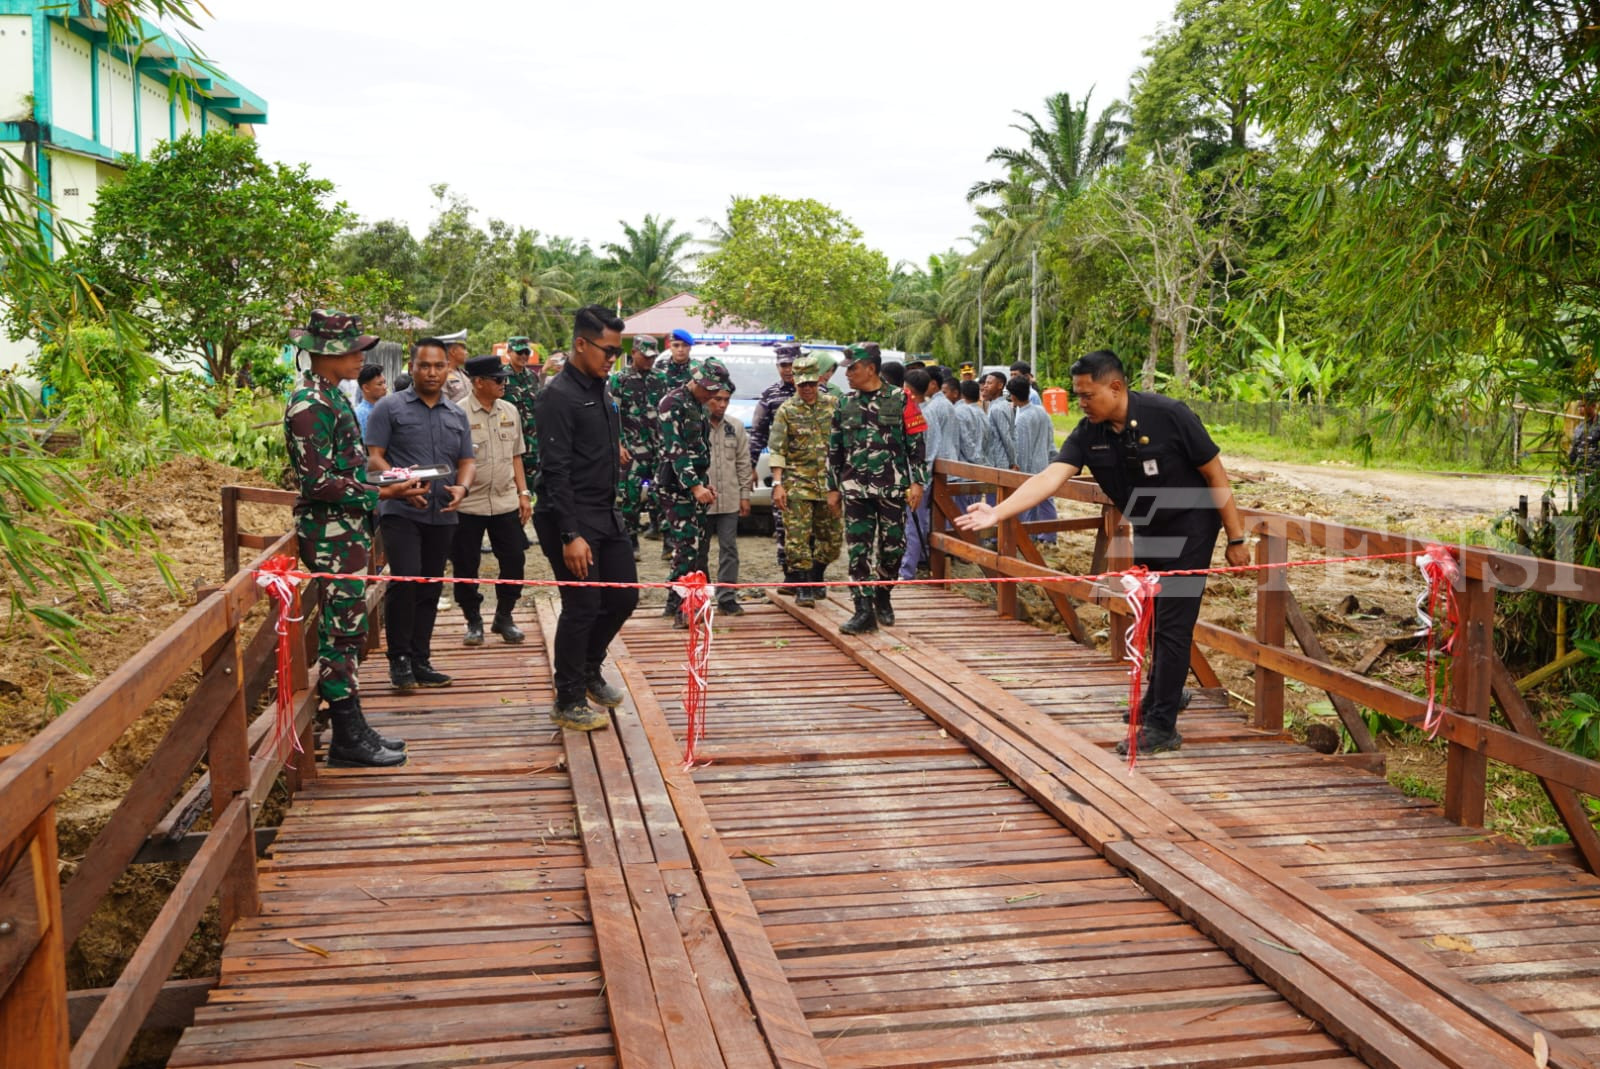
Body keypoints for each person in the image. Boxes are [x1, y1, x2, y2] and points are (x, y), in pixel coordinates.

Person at [956, 349, 1250, 756]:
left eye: (1087, 395)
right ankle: (1164, 693)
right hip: (1148, 527)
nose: (1081, 403)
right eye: (1077, 395)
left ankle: (1161, 726)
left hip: (1191, 528)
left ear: (1115, 387)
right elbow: (1051, 476)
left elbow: (1214, 472)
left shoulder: (1168, 415)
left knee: (1173, 624)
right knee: (1150, 615)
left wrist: (1236, 539)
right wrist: (998, 512)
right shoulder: (1089, 432)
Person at [283, 310, 421, 768]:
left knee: (351, 628)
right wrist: (382, 491)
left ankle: (354, 725)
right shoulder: (309, 403)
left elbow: (346, 468)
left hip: (346, 531)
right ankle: (346, 735)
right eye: (354, 349)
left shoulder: (330, 396)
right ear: (329, 354)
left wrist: (387, 482)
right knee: (341, 632)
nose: (362, 357)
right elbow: (318, 482)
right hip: (331, 535)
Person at [533, 306, 638, 732]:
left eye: (617, 352)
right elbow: (555, 471)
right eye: (607, 350)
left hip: (605, 512)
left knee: (624, 596)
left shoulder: (600, 388)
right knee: (583, 605)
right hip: (569, 515)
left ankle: (590, 667)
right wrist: (569, 534)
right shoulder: (557, 395)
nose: (612, 358)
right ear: (581, 344)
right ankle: (568, 697)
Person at [364, 337, 476, 692]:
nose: (431, 372)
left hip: (442, 512)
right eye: (424, 365)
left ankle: (420, 659)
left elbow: (467, 461)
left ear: (448, 369)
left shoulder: (456, 414)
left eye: (438, 366)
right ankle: (398, 659)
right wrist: (400, 482)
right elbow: (374, 457)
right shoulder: (389, 408)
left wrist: (462, 488)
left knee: (430, 585)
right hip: (400, 510)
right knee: (407, 579)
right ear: (411, 367)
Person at [826, 343, 926, 633]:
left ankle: (883, 593)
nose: (847, 374)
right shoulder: (844, 403)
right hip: (855, 488)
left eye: (853, 368)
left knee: (894, 547)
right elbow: (834, 449)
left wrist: (918, 481)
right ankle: (862, 610)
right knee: (858, 551)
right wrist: (832, 488)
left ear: (871, 368)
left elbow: (917, 444)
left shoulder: (901, 398)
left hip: (892, 488)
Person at [450, 355, 532, 646]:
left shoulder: (510, 410)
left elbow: (516, 456)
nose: (503, 383)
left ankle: (504, 616)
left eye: (504, 378)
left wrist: (523, 494)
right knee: (465, 565)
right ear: (478, 382)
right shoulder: (457, 413)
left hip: (505, 502)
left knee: (514, 560)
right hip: (468, 505)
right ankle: (473, 619)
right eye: (498, 379)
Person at [657, 357, 733, 627]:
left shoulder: (699, 405)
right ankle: (682, 609)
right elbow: (675, 449)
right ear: (697, 381)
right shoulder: (672, 403)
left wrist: (704, 482)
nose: (712, 396)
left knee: (695, 549)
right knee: (687, 547)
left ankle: (674, 602)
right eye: (709, 390)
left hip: (696, 485)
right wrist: (694, 485)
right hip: (675, 486)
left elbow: (700, 448)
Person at [770, 353, 843, 607]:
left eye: (811, 384)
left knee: (833, 539)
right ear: (795, 383)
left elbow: (846, 443)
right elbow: (777, 449)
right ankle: (802, 585)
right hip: (797, 483)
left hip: (828, 484)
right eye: (803, 385)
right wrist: (778, 484)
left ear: (819, 381)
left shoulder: (834, 405)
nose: (808, 389)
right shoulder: (786, 410)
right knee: (797, 539)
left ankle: (816, 575)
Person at [610, 335, 665, 558]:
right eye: (645, 356)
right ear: (633, 353)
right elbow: (612, 415)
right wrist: (618, 444)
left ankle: (669, 544)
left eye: (653, 357)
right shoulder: (619, 380)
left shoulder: (660, 378)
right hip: (631, 448)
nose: (650, 360)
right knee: (629, 497)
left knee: (662, 493)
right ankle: (630, 542)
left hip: (658, 447)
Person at [749, 344, 799, 581]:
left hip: (814, 470)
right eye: (783, 365)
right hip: (783, 471)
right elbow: (758, 433)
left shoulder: (818, 392)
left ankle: (812, 577)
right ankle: (789, 574)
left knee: (815, 528)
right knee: (783, 524)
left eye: (791, 364)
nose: (787, 370)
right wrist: (750, 465)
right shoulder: (770, 395)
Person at [704, 386, 753, 615]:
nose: (722, 404)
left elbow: (743, 462)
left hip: (729, 499)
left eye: (726, 400)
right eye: (717, 399)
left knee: (729, 549)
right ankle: (700, 598)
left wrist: (745, 496)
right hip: (702, 501)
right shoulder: (696, 425)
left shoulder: (736, 426)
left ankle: (726, 598)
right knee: (699, 552)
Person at [901, 368, 952, 580]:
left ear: (908, 390)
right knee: (916, 521)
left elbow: (924, 452)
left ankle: (907, 570)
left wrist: (917, 480)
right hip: (921, 476)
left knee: (912, 524)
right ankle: (918, 559)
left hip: (917, 478)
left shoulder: (921, 414)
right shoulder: (924, 410)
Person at [994, 375, 1059, 541]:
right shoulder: (1041, 411)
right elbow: (1050, 439)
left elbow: (1023, 448)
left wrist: (1019, 468)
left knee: (1028, 502)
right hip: (1044, 462)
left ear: (1013, 396)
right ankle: (1050, 536)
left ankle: (1029, 536)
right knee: (1046, 501)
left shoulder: (1022, 418)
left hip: (1030, 467)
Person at [503, 337, 541, 484]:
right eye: (519, 352)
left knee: (533, 484)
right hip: (510, 441)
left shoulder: (533, 377)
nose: (524, 356)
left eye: (526, 352)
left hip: (532, 442)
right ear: (509, 352)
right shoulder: (501, 377)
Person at [655, 328, 697, 392]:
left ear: (690, 348)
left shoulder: (697, 368)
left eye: (685, 345)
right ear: (670, 347)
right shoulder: (660, 366)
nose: (680, 349)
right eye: (676, 345)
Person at [354, 364, 386, 436]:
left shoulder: (386, 408)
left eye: (384, 382)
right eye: (380, 384)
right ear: (366, 388)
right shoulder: (361, 414)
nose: (385, 387)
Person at [1571, 395, 1600, 471]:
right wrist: (1570, 464)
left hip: (1595, 470)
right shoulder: (1579, 427)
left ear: (1593, 406)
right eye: (1578, 406)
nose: (1580, 408)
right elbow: (1574, 448)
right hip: (1580, 470)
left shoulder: (1598, 425)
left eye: (1583, 406)